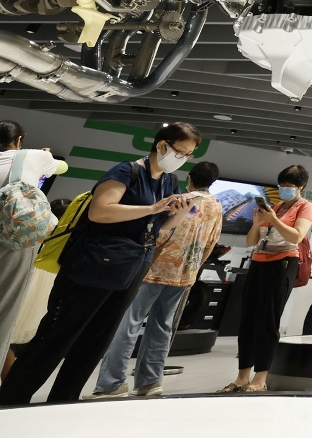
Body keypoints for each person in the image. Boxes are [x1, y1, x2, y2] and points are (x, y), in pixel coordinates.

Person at [0, 122, 198, 405]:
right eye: (181, 151)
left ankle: (63, 401)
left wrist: (178, 213)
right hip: (95, 263)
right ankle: (11, 400)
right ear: (162, 145)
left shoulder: (169, 181)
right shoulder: (127, 171)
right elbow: (100, 212)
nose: (183, 158)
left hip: (132, 266)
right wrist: (152, 208)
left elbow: (160, 227)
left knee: (97, 339)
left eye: (189, 155)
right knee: (57, 335)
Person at [90, 159, 224, 398]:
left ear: (190, 178)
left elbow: (160, 231)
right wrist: (194, 270)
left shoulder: (179, 199)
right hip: (184, 273)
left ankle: (112, 383)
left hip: (153, 268)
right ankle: (150, 382)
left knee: (129, 323)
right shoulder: (216, 206)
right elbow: (210, 243)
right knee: (162, 325)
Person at [218, 164, 312, 394]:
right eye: (282, 185)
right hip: (258, 262)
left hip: (282, 264)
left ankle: (260, 377)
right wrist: (257, 222)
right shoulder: (276, 206)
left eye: (289, 185)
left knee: (268, 321)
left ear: (301, 186)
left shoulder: (305, 206)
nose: (284, 189)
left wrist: (274, 220)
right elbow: (251, 241)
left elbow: (296, 236)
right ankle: (242, 377)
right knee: (248, 320)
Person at [0, 122, 61, 368]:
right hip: (16, 242)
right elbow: (61, 167)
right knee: (5, 310)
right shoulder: (32, 156)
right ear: (18, 140)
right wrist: (45, 155)